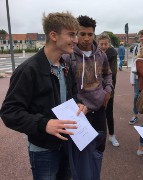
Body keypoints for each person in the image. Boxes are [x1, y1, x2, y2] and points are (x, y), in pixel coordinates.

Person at [0, 12, 87, 180]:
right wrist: (44, 124)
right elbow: (9, 112)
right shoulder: (28, 70)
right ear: (53, 35)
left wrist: (79, 104)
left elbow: (73, 96)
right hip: (43, 150)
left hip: (67, 144)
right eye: (71, 34)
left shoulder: (65, 65)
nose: (76, 40)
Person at [63, 15, 112, 180]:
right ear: (76, 34)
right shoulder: (68, 56)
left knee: (99, 150)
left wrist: (108, 90)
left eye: (89, 34)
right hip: (79, 113)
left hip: (98, 110)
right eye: (82, 34)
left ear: (94, 35)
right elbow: (66, 85)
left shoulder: (101, 55)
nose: (86, 38)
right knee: (79, 153)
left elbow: (108, 74)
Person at [97, 33, 119, 147]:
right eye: (101, 44)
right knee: (96, 113)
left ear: (109, 44)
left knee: (108, 112)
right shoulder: (94, 53)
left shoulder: (112, 54)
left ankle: (111, 135)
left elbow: (112, 72)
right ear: (97, 43)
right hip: (95, 89)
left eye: (106, 44)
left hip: (108, 88)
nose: (104, 46)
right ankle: (98, 136)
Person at [129, 29, 143, 125]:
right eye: (140, 36)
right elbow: (133, 62)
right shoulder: (136, 47)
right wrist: (131, 78)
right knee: (136, 95)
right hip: (137, 76)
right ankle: (135, 115)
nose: (142, 38)